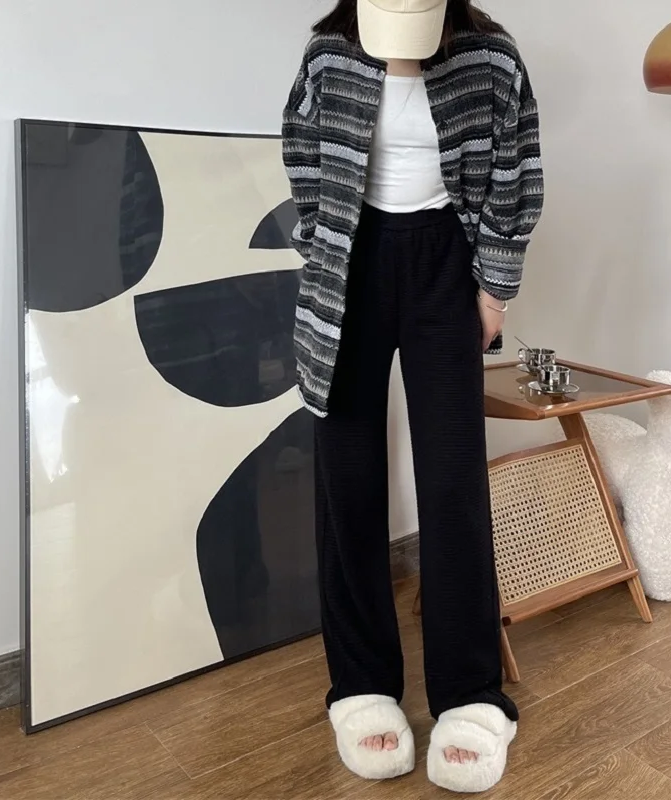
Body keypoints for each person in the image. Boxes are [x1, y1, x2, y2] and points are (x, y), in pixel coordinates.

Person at [282, 0, 543, 792]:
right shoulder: (329, 53)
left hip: (443, 265)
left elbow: (517, 171)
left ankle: (470, 696)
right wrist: (320, 244)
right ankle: (361, 686)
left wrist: (493, 292)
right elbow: (301, 148)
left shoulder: (490, 58)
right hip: (350, 265)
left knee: (454, 483)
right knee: (348, 478)